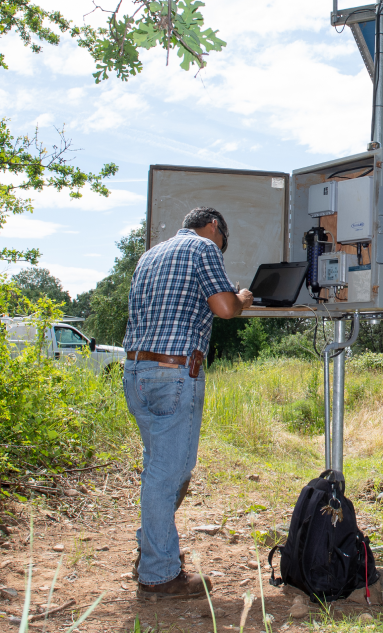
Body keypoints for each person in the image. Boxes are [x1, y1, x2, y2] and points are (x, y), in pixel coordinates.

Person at [123, 207, 253, 600]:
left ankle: (151, 553)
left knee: (158, 468)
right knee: (169, 474)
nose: (221, 248)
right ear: (214, 226)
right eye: (223, 242)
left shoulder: (150, 255)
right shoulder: (202, 249)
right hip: (174, 372)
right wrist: (242, 298)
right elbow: (225, 308)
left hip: (136, 372)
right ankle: (160, 575)